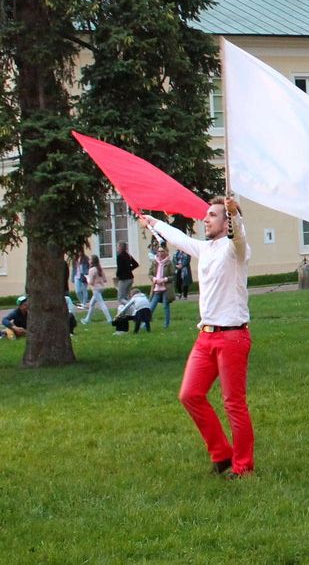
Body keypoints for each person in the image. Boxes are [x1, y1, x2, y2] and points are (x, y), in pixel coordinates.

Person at [141, 196, 254, 479]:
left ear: (226, 220)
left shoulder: (236, 249)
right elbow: (178, 238)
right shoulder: (205, 249)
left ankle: (243, 467)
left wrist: (234, 215)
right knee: (190, 395)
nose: (205, 218)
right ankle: (221, 453)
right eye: (207, 214)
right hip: (206, 337)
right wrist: (153, 221)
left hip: (233, 336)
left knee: (233, 403)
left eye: (213, 215)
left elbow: (238, 235)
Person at [81, 255, 113, 324]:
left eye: (90, 259)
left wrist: (87, 278)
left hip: (95, 289)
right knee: (91, 304)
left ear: (92, 261)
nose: (89, 261)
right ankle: (87, 320)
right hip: (101, 287)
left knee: (101, 304)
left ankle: (109, 319)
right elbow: (104, 280)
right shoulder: (100, 269)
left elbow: (91, 282)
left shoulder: (91, 270)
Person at [149, 246, 174, 328]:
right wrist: (154, 279)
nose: (160, 253)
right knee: (151, 307)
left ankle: (166, 325)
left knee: (165, 306)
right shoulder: (154, 262)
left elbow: (173, 276)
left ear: (165, 252)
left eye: (162, 251)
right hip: (156, 288)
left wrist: (165, 279)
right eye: (159, 251)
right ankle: (145, 325)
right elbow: (150, 274)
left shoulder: (169, 263)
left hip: (166, 288)